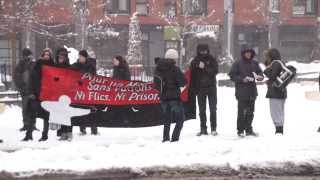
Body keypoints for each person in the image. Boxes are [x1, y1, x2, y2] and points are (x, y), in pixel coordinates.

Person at [228, 47, 264, 137]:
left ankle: (248, 129)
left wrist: (260, 77)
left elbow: (260, 73)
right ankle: (240, 130)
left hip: (252, 91)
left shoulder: (255, 63)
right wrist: (242, 79)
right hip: (241, 91)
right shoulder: (237, 63)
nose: (248, 54)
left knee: (251, 112)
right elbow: (232, 75)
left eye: (250, 53)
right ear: (243, 54)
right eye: (246, 53)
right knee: (241, 112)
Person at [154, 49, 187, 142]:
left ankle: (165, 138)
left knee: (167, 120)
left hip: (163, 98)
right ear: (174, 58)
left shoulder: (158, 68)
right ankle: (175, 138)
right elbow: (183, 82)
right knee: (180, 119)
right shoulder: (175, 69)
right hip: (174, 98)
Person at [23, 48, 55, 141]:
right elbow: (31, 80)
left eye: (48, 54)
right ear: (42, 55)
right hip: (36, 95)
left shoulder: (53, 66)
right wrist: (31, 92)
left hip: (47, 96)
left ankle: (44, 135)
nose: (46, 56)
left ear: (50, 56)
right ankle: (29, 134)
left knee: (46, 116)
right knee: (31, 114)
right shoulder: (36, 65)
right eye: (45, 54)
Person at [190, 44, 219, 136]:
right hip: (200, 88)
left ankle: (213, 128)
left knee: (213, 109)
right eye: (201, 51)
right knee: (202, 110)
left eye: (205, 51)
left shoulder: (212, 59)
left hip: (211, 88)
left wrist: (205, 67)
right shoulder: (195, 60)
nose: (203, 53)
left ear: (208, 50)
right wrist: (195, 66)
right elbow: (192, 74)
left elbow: (215, 71)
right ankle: (203, 128)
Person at [72, 50, 98, 135]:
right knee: (81, 110)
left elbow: (93, 77)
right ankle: (82, 129)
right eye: (79, 56)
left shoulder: (91, 66)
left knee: (92, 110)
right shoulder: (76, 65)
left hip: (89, 91)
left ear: (85, 57)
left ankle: (94, 130)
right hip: (80, 91)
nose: (79, 58)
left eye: (81, 56)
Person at [263, 48, 287, 135]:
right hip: (281, 91)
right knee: (280, 111)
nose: (266, 58)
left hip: (275, 92)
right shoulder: (281, 63)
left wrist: (266, 70)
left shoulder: (276, 63)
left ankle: (279, 130)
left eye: (267, 56)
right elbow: (276, 76)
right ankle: (280, 129)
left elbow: (272, 76)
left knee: (275, 111)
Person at [13, 48, 37, 132]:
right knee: (26, 108)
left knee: (33, 108)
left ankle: (32, 124)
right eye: (28, 55)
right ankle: (26, 124)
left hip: (33, 91)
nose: (30, 57)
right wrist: (22, 88)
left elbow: (37, 77)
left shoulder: (34, 64)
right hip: (25, 91)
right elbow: (17, 78)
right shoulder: (20, 65)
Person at [53, 48, 73, 141]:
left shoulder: (69, 67)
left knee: (67, 114)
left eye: (62, 57)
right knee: (60, 114)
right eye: (59, 57)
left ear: (65, 58)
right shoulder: (55, 67)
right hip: (58, 93)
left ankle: (69, 133)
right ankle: (63, 133)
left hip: (67, 93)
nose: (60, 58)